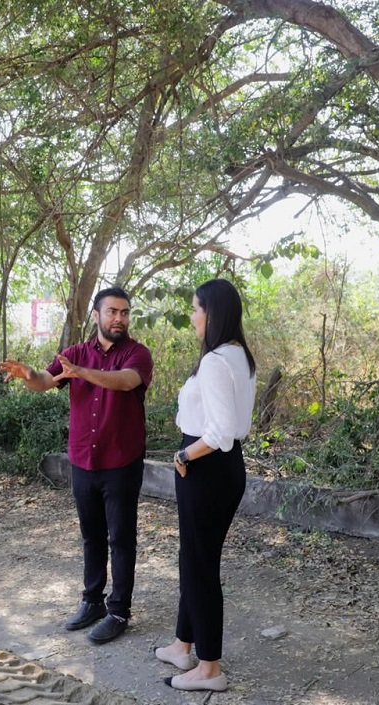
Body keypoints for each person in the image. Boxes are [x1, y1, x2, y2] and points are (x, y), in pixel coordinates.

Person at [0, 286, 153, 645]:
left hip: (121, 461)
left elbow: (125, 381)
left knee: (121, 538)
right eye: (112, 312)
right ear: (96, 316)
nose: (119, 318)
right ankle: (92, 602)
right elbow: (46, 381)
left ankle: (119, 611)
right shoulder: (74, 354)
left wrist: (81, 373)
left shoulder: (137, 354)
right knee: (91, 536)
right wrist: (28, 374)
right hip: (83, 458)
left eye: (125, 312)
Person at [156, 278, 256, 692]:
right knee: (193, 556)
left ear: (212, 313)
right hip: (222, 470)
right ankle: (184, 644)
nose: (193, 315)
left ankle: (209, 668)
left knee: (199, 564)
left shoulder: (216, 360)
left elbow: (220, 433)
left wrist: (182, 456)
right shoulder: (239, 355)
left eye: (196, 308)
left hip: (206, 466)